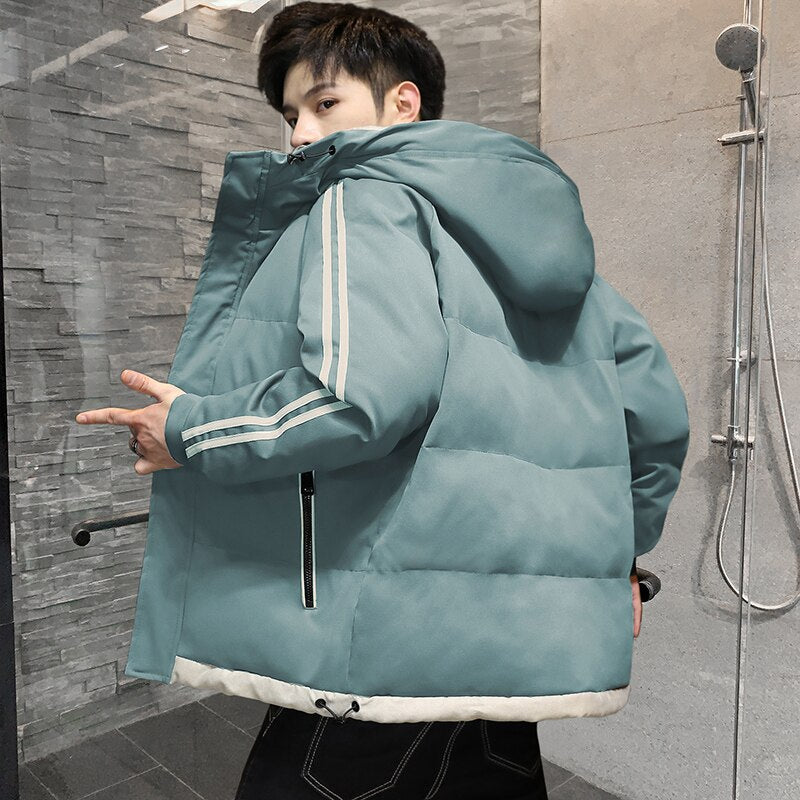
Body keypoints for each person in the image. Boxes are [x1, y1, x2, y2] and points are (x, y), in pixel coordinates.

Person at [74, 3, 690, 799]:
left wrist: (187, 429)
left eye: (324, 103)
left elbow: (357, 401)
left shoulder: (363, 196)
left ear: (403, 102)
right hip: (508, 651)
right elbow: (654, 418)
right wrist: (618, 566)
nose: (301, 133)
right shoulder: (553, 253)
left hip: (382, 638)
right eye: (291, 114)